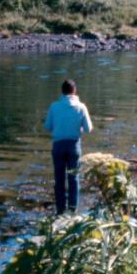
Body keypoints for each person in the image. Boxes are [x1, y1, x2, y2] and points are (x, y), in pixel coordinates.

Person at [44, 79, 93, 215]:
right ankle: (73, 210)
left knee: (59, 179)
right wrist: (80, 128)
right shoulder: (81, 107)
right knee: (74, 178)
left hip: (58, 145)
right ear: (74, 91)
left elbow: (47, 126)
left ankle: (60, 210)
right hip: (74, 146)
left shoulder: (54, 106)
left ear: (62, 92)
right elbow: (88, 129)